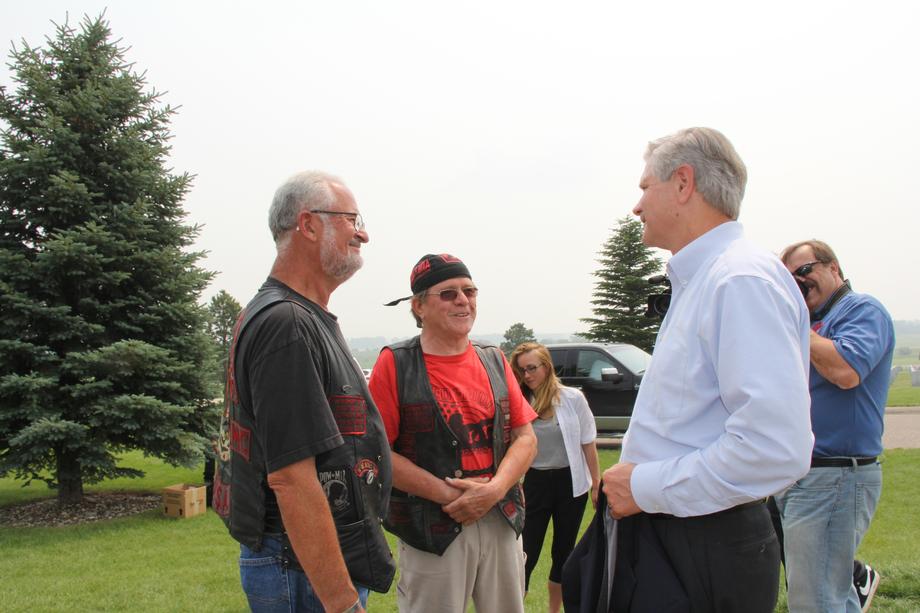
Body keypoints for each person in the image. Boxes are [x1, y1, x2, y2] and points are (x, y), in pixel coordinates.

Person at [600, 127, 814, 612]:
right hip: (684, 534)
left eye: (643, 187)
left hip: (704, 541)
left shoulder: (737, 280)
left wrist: (643, 486)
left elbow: (774, 449)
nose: (636, 206)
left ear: (682, 184)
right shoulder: (709, 277)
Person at [212, 171, 394, 612]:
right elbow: (291, 478)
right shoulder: (286, 324)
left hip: (307, 560)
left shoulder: (296, 316)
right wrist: (341, 602)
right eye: (351, 219)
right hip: (301, 568)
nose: (363, 233)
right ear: (309, 225)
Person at [369, 253, 537, 613]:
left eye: (470, 291)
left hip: (500, 516)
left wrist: (492, 491)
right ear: (419, 306)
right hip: (432, 527)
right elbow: (378, 450)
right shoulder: (395, 362)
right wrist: (450, 495)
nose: (463, 300)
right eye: (448, 293)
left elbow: (525, 438)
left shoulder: (494, 358)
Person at [775, 239, 893, 612]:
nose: (798, 282)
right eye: (788, 279)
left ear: (833, 268)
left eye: (804, 271)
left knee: (815, 601)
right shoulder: (808, 323)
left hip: (835, 475)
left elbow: (846, 370)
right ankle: (856, 577)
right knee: (823, 591)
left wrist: (793, 323)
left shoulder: (861, 310)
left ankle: (853, 579)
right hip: (799, 474)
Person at [510, 341, 600, 613]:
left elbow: (588, 442)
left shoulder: (573, 398)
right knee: (526, 552)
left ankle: (554, 610)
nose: (527, 375)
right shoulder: (520, 401)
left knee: (564, 553)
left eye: (532, 368)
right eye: (522, 370)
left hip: (571, 485)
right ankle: (516, 607)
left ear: (547, 367)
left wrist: (596, 484)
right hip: (535, 484)